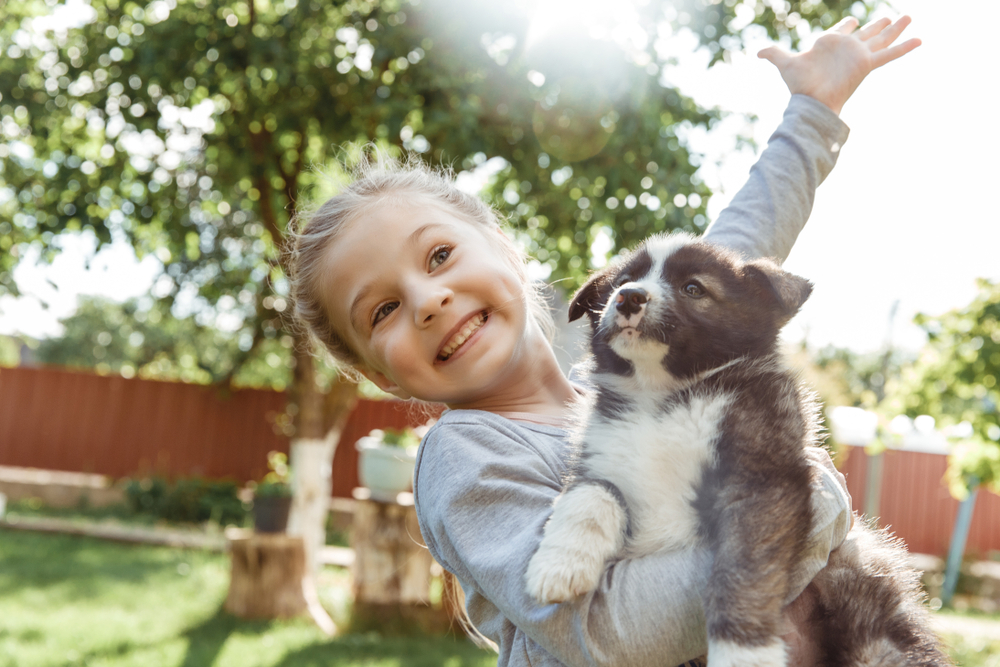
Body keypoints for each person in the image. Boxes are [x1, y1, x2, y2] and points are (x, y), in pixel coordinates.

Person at [287, 15, 920, 667]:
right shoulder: (467, 453)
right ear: (380, 376)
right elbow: (605, 628)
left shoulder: (631, 374)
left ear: (506, 249)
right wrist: (798, 513)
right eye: (384, 309)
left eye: (440, 254)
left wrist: (814, 109)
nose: (427, 301)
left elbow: (738, 247)